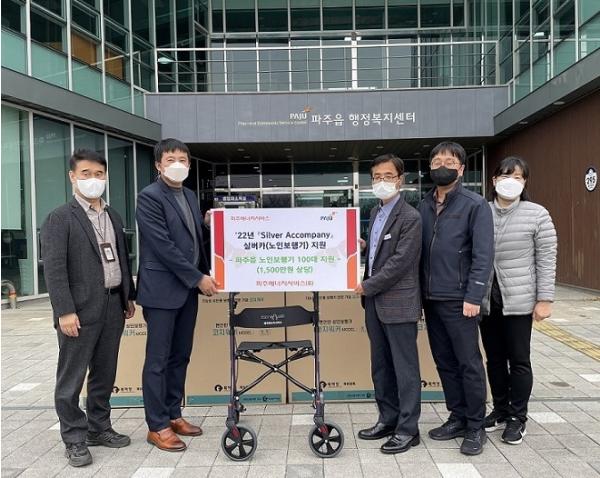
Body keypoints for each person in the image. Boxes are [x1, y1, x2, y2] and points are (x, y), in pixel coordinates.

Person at [40, 149, 136, 467]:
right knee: (72, 377)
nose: (93, 179)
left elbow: (122, 259)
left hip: (112, 305)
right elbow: (54, 269)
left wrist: (127, 296)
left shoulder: (112, 215)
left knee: (104, 373)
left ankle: (99, 427)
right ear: (72, 177)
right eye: (85, 174)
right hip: (78, 311)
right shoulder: (60, 218)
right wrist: (64, 311)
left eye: (98, 174)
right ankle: (74, 438)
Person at [136, 138, 219, 452]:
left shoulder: (189, 195)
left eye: (182, 159)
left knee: (180, 355)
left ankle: (173, 414)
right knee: (157, 360)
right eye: (170, 159)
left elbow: (190, 240)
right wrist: (198, 278)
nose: (177, 164)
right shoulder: (149, 197)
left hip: (186, 292)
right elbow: (164, 246)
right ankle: (157, 426)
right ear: (158, 165)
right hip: (162, 291)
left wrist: (206, 226)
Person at [418, 141, 494, 456]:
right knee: (445, 362)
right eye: (437, 161)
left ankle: (476, 426)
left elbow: (483, 256)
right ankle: (458, 417)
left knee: (468, 363)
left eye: (449, 161)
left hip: (461, 299)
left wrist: (474, 295)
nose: (442, 166)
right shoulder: (423, 205)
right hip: (431, 298)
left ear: (461, 169)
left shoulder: (475, 205)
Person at [480, 156, 557, 445]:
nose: (510, 181)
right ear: (494, 180)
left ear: (525, 182)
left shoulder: (537, 214)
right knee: (494, 359)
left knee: (519, 360)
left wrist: (545, 299)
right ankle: (500, 409)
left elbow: (546, 259)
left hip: (520, 300)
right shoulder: (481, 211)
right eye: (505, 175)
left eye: (517, 176)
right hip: (487, 300)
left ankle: (517, 417)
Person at [355, 154, 422, 454]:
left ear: (400, 180)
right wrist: (364, 247)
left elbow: (400, 262)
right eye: (377, 177)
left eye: (388, 176)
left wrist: (367, 285)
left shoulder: (410, 217)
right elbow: (380, 252)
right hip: (374, 303)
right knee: (381, 366)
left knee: (405, 369)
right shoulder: (375, 211)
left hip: (399, 302)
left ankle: (408, 429)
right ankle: (388, 419)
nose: (382, 181)